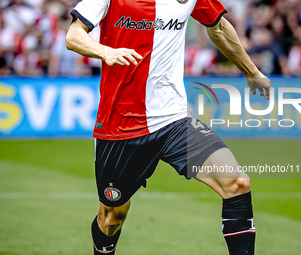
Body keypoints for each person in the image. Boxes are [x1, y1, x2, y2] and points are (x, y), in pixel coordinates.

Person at [65, 0, 271, 254]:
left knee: (237, 183)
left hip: (173, 119)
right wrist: (105, 51)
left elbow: (217, 27)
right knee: (112, 218)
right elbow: (73, 36)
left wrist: (251, 72)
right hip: (120, 126)